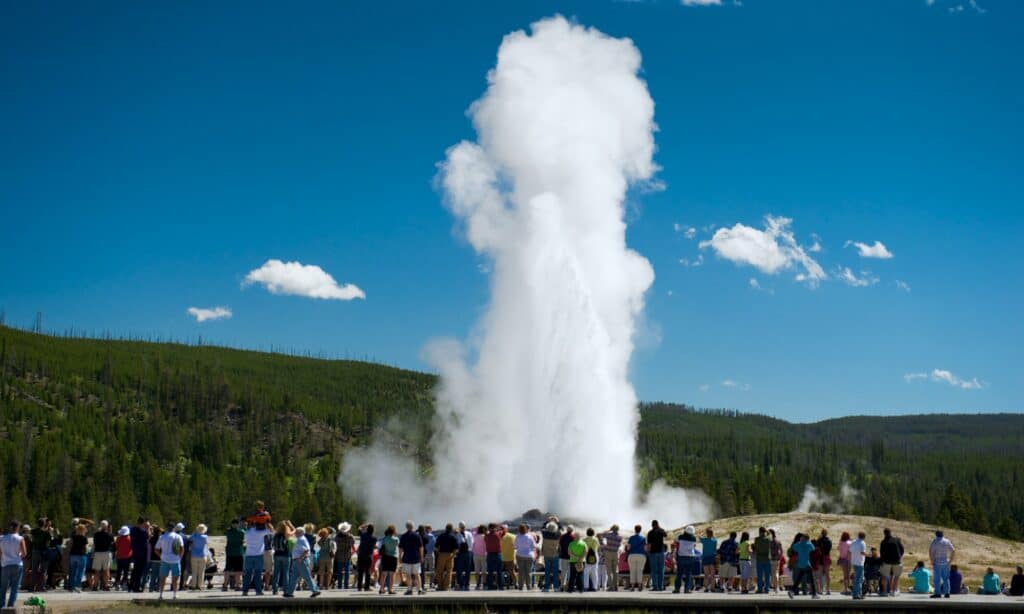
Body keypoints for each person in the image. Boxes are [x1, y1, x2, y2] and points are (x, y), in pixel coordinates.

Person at [283, 526, 320, 598]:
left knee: (307, 576)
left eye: (296, 531)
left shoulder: (301, 539)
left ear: (300, 533)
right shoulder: (299, 539)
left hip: (300, 561)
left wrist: (301, 558)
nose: (295, 532)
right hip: (296, 561)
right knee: (293, 577)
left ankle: (315, 590)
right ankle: (289, 592)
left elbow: (306, 550)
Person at [155, 521, 184, 600]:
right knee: (175, 578)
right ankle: (174, 595)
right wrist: (180, 558)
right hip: (175, 559)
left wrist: (161, 556)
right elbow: (182, 548)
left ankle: (161, 595)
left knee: (162, 578)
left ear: (167, 528)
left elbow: (156, 549)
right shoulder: (178, 536)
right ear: (174, 528)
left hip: (164, 559)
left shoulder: (162, 537)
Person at [0, 521, 27, 608]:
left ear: (10, 527)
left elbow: (0, 553)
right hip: (17, 564)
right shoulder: (20, 538)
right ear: (18, 527)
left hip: (5, 564)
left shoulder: (1, 538)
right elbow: (24, 553)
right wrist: (18, 554)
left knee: (3, 587)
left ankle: (1, 605)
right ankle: (10, 606)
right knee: (14, 588)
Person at [242, 520, 272, 597]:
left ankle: (245, 591)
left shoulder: (247, 532)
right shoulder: (261, 532)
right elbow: (272, 531)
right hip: (258, 555)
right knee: (258, 574)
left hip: (248, 555)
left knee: (247, 574)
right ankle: (258, 591)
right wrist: (267, 523)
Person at [788, 533, 818, 599]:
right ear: (807, 539)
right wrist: (808, 542)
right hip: (807, 565)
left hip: (800, 565)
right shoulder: (809, 544)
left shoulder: (798, 544)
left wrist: (800, 541)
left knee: (798, 579)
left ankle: (792, 591)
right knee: (811, 580)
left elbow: (793, 548)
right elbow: (813, 549)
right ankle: (814, 594)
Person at [398, 521, 425, 595]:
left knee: (408, 575)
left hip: (406, 558)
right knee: (417, 574)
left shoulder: (403, 536)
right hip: (416, 558)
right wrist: (422, 557)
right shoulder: (417, 536)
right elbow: (421, 547)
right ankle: (419, 589)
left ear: (406, 527)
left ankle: (409, 589)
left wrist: (400, 557)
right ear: (413, 527)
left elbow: (400, 548)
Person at [928, 529, 954, 599]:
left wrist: (932, 561)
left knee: (937, 579)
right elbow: (953, 550)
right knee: (946, 578)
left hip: (937, 562)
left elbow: (930, 551)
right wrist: (950, 560)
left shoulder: (935, 541)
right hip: (945, 562)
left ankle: (937, 593)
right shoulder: (947, 541)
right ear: (943, 534)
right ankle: (947, 593)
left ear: (936, 534)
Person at [878, 528, 904, 597]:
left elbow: (881, 553)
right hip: (896, 561)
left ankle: (885, 591)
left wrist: (882, 561)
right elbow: (902, 549)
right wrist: (899, 556)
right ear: (890, 532)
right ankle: (893, 591)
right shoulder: (896, 540)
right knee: (896, 576)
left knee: (884, 576)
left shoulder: (883, 542)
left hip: (886, 561)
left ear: (884, 533)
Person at [673, 525, 699, 594]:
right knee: (688, 573)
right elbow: (694, 546)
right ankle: (687, 589)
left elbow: (675, 542)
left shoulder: (680, 537)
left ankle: (677, 589)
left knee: (679, 573)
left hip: (681, 556)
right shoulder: (694, 538)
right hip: (690, 556)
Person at [222, 518, 244, 591]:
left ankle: (225, 585)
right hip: (239, 552)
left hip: (230, 553)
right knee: (238, 570)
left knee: (227, 569)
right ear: (238, 524)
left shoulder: (228, 532)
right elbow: (243, 540)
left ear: (232, 524)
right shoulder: (241, 532)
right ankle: (237, 585)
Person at [128, 517, 149, 593]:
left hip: (135, 552)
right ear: (143, 523)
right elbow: (147, 536)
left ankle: (130, 586)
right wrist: (148, 528)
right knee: (139, 571)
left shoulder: (132, 530)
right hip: (142, 553)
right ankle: (136, 587)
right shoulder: (143, 531)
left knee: (135, 571)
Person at [434, 524, 458, 591]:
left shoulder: (441, 536)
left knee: (439, 571)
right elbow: (456, 548)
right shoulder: (453, 537)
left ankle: (440, 586)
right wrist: (453, 555)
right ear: (452, 529)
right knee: (449, 571)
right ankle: (446, 586)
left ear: (446, 528)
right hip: (450, 554)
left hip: (442, 554)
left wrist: (439, 553)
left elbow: (436, 547)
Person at [67, 523, 89, 592]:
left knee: (72, 571)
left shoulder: (73, 537)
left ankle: (71, 586)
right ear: (84, 530)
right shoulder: (84, 538)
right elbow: (86, 548)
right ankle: (77, 586)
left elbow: (70, 545)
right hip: (81, 555)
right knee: (80, 572)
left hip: (73, 555)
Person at [646, 520, 667, 592]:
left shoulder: (650, 533)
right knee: (661, 570)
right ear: (658, 524)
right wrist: (660, 528)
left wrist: (648, 552)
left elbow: (649, 544)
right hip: (661, 552)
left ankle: (655, 586)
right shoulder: (661, 531)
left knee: (654, 570)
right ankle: (660, 586)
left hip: (653, 553)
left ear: (652, 525)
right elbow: (665, 535)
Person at [600, 525, 622, 591]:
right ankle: (616, 586)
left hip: (608, 553)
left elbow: (599, 535)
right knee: (615, 571)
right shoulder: (620, 537)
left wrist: (609, 530)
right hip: (615, 553)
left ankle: (611, 587)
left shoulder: (608, 535)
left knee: (609, 571)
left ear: (612, 529)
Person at [378, 525, 399, 595]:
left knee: (384, 574)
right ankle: (391, 589)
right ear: (393, 531)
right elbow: (397, 546)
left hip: (386, 557)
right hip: (393, 557)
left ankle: (381, 588)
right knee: (392, 574)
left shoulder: (384, 539)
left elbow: (381, 546)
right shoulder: (396, 539)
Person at [540, 522, 561, 592]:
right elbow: (560, 528)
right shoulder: (558, 534)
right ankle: (556, 587)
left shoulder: (544, 534)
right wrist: (557, 521)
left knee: (547, 571)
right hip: (555, 555)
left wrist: (547, 521)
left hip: (546, 555)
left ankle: (546, 587)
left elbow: (542, 528)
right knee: (555, 572)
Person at [514, 524, 535, 591]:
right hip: (529, 555)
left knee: (521, 571)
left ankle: (521, 586)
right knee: (528, 572)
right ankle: (528, 586)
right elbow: (534, 545)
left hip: (520, 555)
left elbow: (515, 546)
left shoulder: (517, 536)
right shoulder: (530, 536)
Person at [355, 524, 376, 592]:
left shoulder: (363, 535)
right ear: (373, 531)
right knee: (368, 572)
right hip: (369, 556)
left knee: (360, 571)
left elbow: (359, 528)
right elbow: (373, 546)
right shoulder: (374, 538)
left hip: (361, 555)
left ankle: (359, 587)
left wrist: (365, 525)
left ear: (367, 529)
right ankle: (367, 587)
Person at [189, 524, 209, 591]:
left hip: (194, 555)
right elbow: (206, 544)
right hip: (202, 555)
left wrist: (195, 533)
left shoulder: (193, 536)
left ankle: (193, 585)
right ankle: (200, 585)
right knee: (201, 572)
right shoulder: (205, 537)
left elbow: (189, 539)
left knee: (194, 572)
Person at [334, 522, 354, 590]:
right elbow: (352, 544)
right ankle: (346, 585)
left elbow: (335, 542)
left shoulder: (337, 537)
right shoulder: (350, 537)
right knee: (347, 572)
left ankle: (339, 585)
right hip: (347, 556)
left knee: (339, 572)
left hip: (339, 555)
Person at [626, 525, 646, 591]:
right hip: (641, 555)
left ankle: (632, 586)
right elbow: (645, 548)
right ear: (640, 530)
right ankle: (640, 586)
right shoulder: (643, 538)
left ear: (635, 530)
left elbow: (628, 548)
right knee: (640, 570)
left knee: (632, 570)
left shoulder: (631, 538)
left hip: (632, 555)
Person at [454, 522, 474, 591]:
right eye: (461, 527)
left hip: (466, 552)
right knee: (460, 570)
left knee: (466, 569)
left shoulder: (467, 534)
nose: (462, 528)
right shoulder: (458, 534)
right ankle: (462, 584)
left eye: (463, 527)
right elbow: (471, 543)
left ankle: (465, 584)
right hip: (463, 553)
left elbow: (471, 543)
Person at [753, 527, 772, 594]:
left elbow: (755, 548)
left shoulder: (756, 539)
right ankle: (767, 589)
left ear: (759, 532)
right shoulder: (769, 539)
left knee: (760, 575)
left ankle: (760, 589)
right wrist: (767, 533)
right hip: (767, 559)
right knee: (767, 575)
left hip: (759, 559)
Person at [848, 531, 867, 600]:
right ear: (864, 537)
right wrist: (869, 555)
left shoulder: (854, 542)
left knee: (859, 578)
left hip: (854, 562)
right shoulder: (862, 543)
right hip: (860, 563)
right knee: (858, 579)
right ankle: (856, 594)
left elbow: (850, 550)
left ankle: (859, 593)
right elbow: (862, 552)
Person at [484, 524, 503, 590]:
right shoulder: (498, 535)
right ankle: (501, 585)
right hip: (497, 554)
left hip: (490, 554)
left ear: (489, 528)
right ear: (494, 528)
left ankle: (490, 585)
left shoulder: (486, 536)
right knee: (499, 571)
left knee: (490, 571)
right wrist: (499, 528)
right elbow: (502, 531)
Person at [114, 526, 132, 590]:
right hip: (127, 557)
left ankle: (117, 584)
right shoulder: (130, 538)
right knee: (126, 571)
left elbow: (116, 546)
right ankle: (124, 584)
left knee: (119, 571)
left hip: (119, 557)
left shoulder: (118, 538)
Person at [557, 525, 574, 590]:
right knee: (570, 572)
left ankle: (562, 585)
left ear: (567, 530)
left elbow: (559, 546)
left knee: (563, 572)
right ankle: (568, 585)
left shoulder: (562, 536)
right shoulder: (573, 537)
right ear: (572, 530)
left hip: (563, 556)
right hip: (571, 557)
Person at [472, 524, 488, 590]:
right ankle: (484, 583)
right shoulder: (485, 536)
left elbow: (472, 530)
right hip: (484, 555)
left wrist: (477, 526)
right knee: (484, 570)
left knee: (477, 570)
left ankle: (478, 584)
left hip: (475, 555)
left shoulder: (474, 536)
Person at [817, 529, 832, 595]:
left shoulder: (819, 540)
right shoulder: (829, 541)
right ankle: (828, 590)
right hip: (827, 557)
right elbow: (829, 549)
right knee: (827, 574)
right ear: (826, 533)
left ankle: (820, 590)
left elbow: (817, 548)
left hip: (820, 557)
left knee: (820, 574)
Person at [836, 531, 852, 595]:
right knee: (848, 575)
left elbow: (838, 549)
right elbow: (850, 551)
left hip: (842, 559)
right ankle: (848, 588)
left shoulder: (841, 543)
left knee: (845, 575)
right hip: (849, 560)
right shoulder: (850, 543)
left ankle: (845, 589)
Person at [769, 529, 783, 593]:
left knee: (773, 573)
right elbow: (781, 551)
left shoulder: (769, 541)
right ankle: (776, 587)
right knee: (776, 573)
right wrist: (780, 557)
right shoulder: (778, 541)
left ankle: (775, 587)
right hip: (777, 558)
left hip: (771, 559)